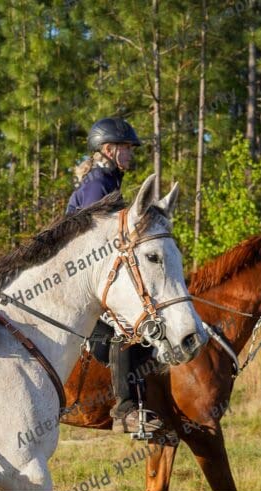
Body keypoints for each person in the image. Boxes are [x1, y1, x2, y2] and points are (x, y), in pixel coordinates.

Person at [68, 117, 162, 434]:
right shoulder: (98, 186)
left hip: (94, 275)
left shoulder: (109, 181)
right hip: (81, 279)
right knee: (124, 328)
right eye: (126, 148)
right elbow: (100, 246)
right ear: (109, 150)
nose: (131, 154)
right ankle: (124, 409)